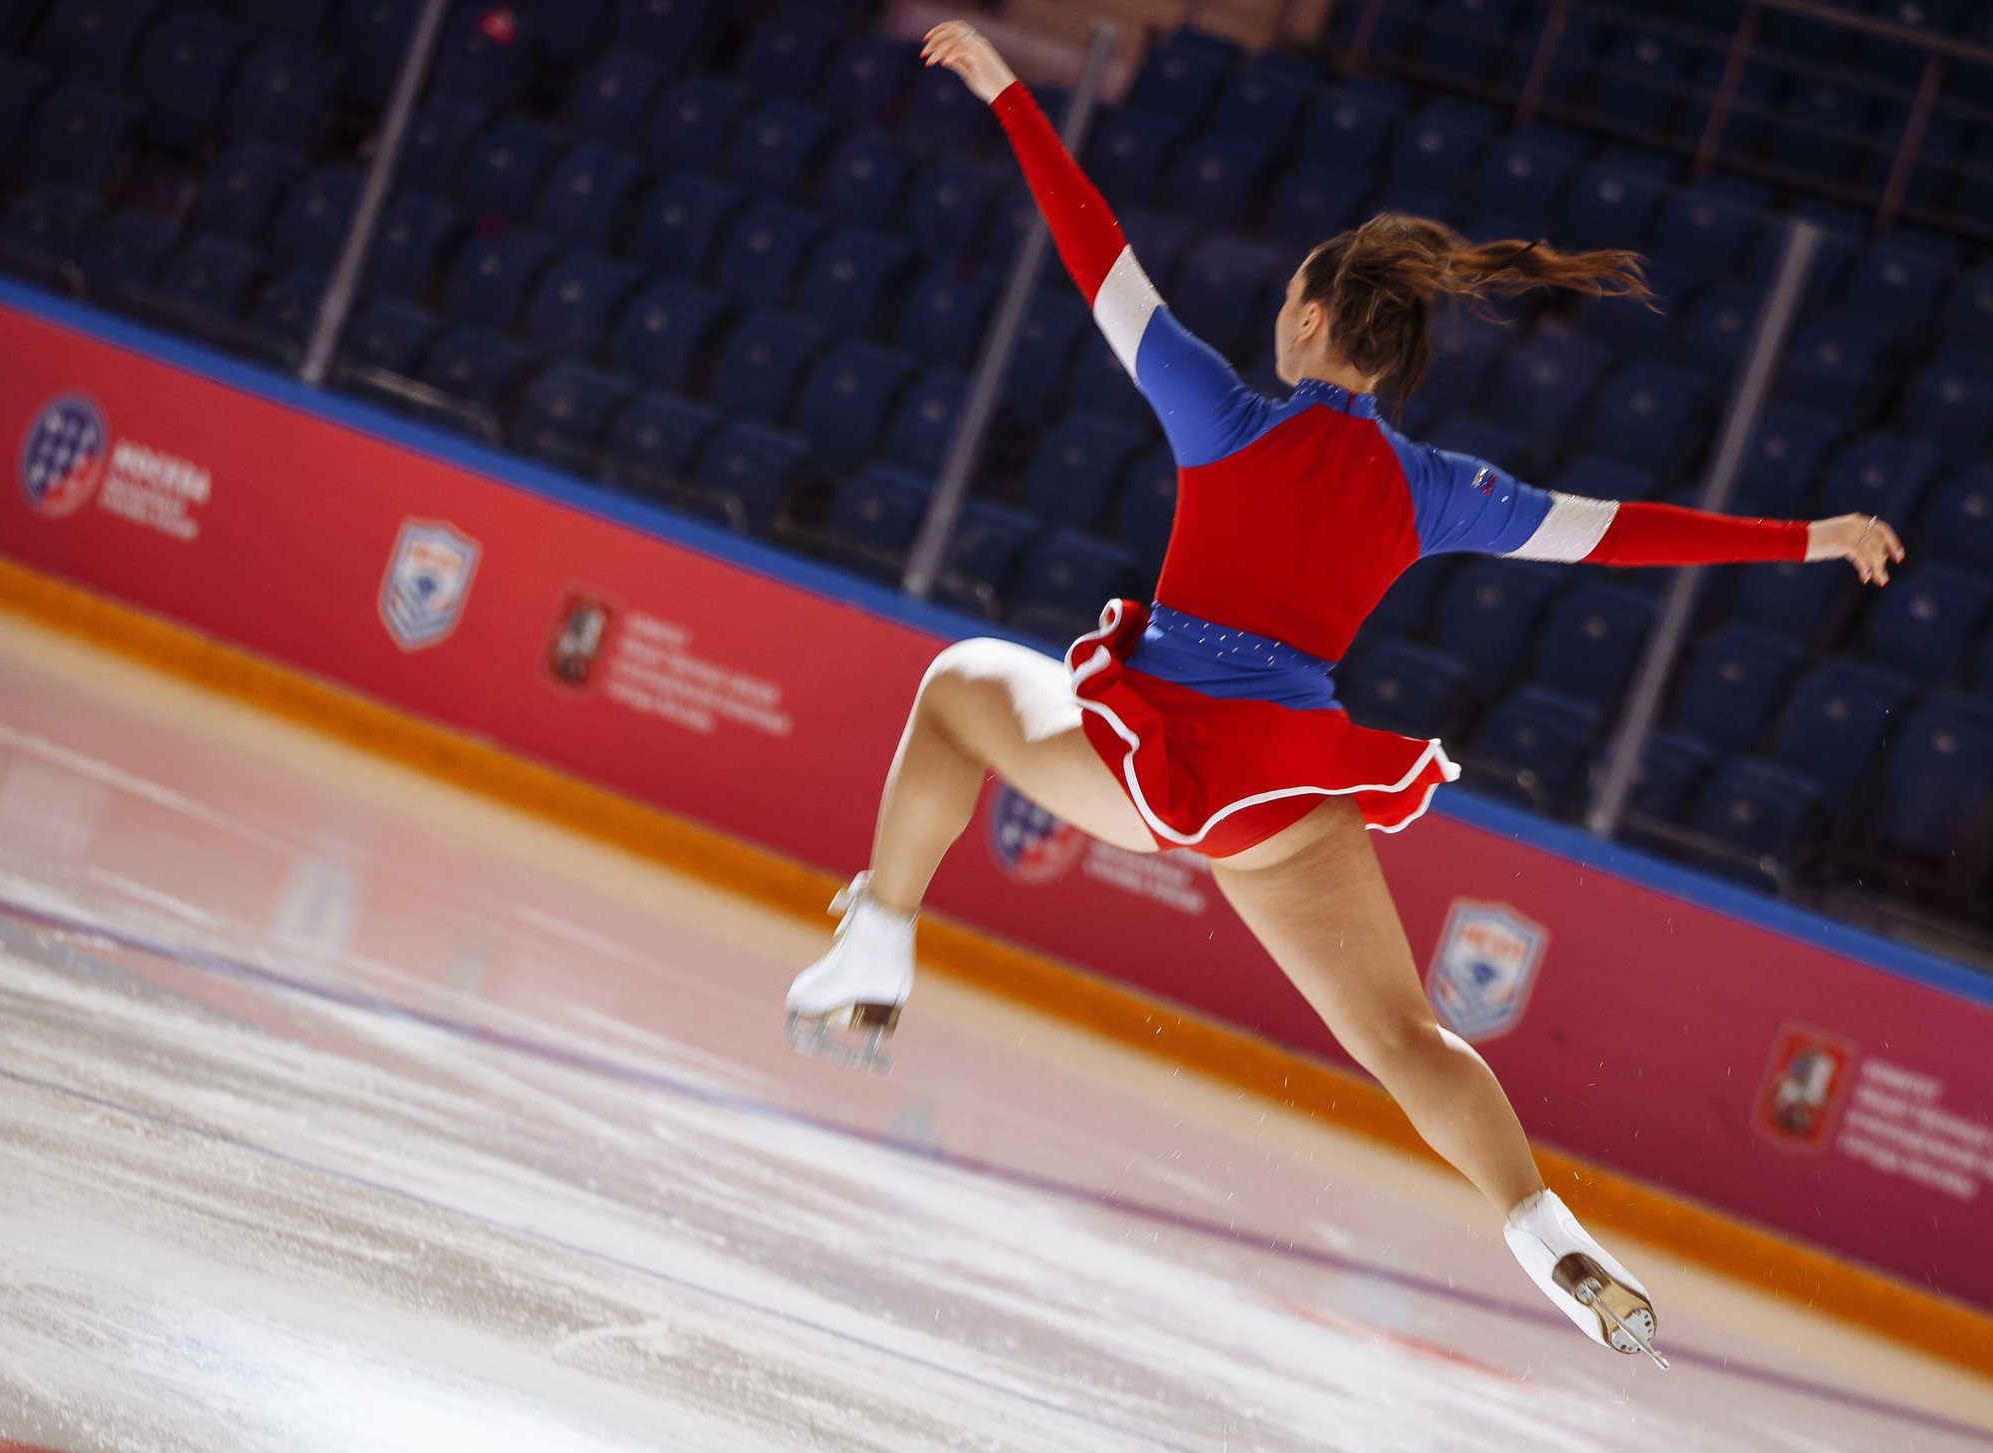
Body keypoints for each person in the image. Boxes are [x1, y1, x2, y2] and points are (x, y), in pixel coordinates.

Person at [787, 20, 1906, 1364]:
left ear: (1313, 319)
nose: (1277, 313)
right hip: (1290, 790)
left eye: (1286, 300)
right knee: (1405, 1036)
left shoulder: (1219, 412)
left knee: (957, 682)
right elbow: (1621, 535)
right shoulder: (1435, 489)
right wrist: (1807, 537)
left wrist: (1011, 90)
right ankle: (1541, 1224)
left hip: (1165, 766)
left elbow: (1098, 257)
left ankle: (881, 939)